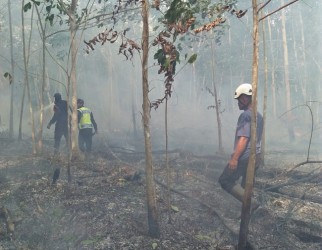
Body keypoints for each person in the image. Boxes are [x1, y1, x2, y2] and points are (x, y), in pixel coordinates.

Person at [218, 83, 263, 213]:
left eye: (239, 100)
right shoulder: (258, 115)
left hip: (244, 157)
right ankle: (246, 215)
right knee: (246, 187)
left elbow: (243, 139)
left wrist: (235, 159)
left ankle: (253, 204)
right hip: (256, 156)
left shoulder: (246, 116)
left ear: (245, 98)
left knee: (225, 180)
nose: (238, 103)